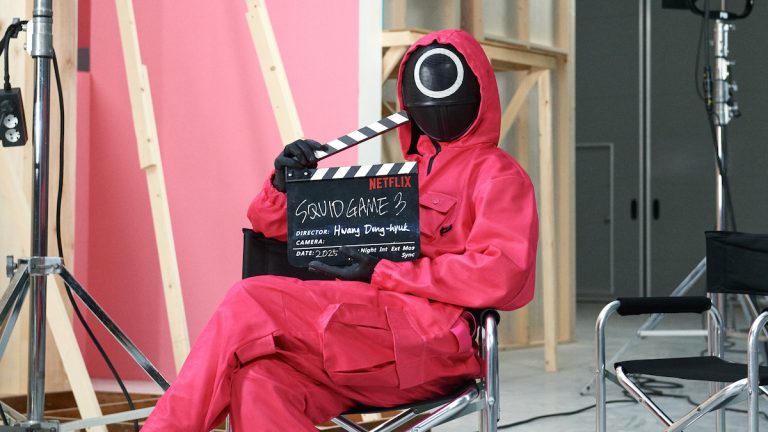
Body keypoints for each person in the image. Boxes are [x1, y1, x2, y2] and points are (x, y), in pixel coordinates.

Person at [142, 28, 538, 431]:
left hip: (431, 343)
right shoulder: (399, 178)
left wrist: (384, 271)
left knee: (249, 298)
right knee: (258, 382)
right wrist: (285, 184)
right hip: (362, 337)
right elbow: (272, 227)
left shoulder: (498, 176)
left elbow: (501, 276)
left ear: (479, 93)